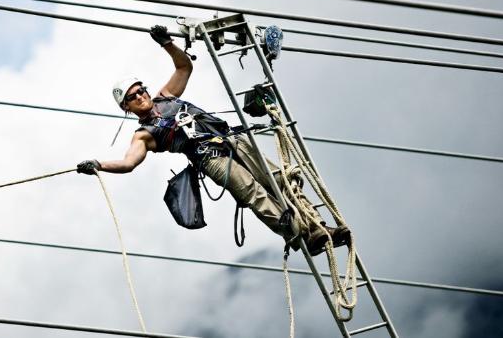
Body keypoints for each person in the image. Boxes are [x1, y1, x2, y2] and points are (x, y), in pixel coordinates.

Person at [77, 25, 349, 254]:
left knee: (278, 179)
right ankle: (299, 235)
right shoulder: (144, 135)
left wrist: (167, 44)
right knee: (253, 191)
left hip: (232, 139)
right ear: (127, 108)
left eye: (140, 91)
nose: (139, 96)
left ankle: (319, 227)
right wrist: (99, 164)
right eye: (132, 97)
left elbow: (184, 66)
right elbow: (128, 163)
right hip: (211, 158)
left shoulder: (166, 96)